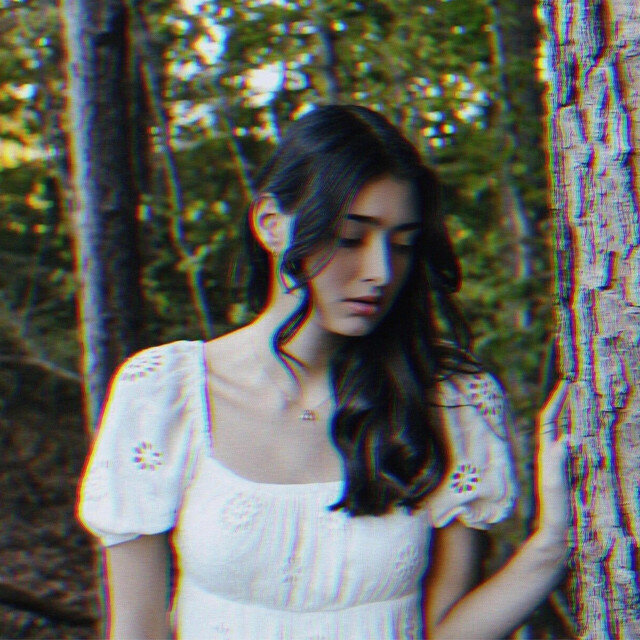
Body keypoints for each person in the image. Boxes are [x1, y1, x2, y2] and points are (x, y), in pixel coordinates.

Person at [77, 105, 570, 640]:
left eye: (402, 244)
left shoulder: (448, 399)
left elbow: (446, 633)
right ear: (270, 223)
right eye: (351, 238)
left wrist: (550, 546)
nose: (381, 272)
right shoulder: (164, 391)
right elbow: (137, 630)